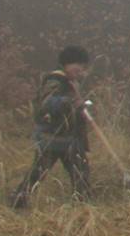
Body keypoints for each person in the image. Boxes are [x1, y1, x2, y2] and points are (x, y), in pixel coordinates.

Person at [9, 46, 92, 208]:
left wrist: (82, 108)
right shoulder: (54, 80)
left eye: (82, 68)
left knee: (80, 171)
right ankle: (19, 200)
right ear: (67, 64)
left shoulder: (72, 82)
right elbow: (46, 104)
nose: (80, 71)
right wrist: (68, 102)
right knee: (38, 172)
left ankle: (83, 205)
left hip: (71, 139)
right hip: (52, 138)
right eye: (78, 67)